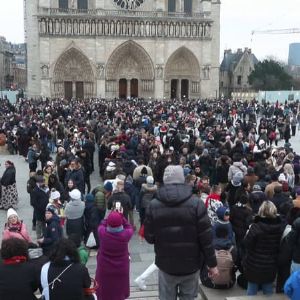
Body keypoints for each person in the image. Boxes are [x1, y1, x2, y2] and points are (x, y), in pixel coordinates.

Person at [144, 165, 218, 300]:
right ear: (182, 179)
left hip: (166, 264)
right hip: (191, 264)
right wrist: (212, 264)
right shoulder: (196, 204)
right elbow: (206, 238)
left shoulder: (153, 205)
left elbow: (149, 237)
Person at [243, 201, 283, 296]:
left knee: (252, 290)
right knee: (268, 290)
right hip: (270, 265)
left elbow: (246, 244)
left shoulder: (256, 227)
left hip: (254, 265)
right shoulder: (280, 227)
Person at [95, 210, 134, 300]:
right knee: (119, 288)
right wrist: (121, 216)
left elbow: (102, 223)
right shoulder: (125, 235)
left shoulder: (102, 232)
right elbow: (129, 227)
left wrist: (109, 217)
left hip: (104, 266)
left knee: (105, 289)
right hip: (121, 267)